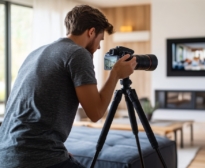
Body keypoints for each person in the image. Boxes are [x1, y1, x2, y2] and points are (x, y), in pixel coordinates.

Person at [0, 5, 137, 168]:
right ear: (91, 32)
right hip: (36, 158)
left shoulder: (36, 52)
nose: (99, 47)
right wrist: (115, 74)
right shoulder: (78, 53)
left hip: (6, 155)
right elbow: (96, 113)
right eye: (100, 40)